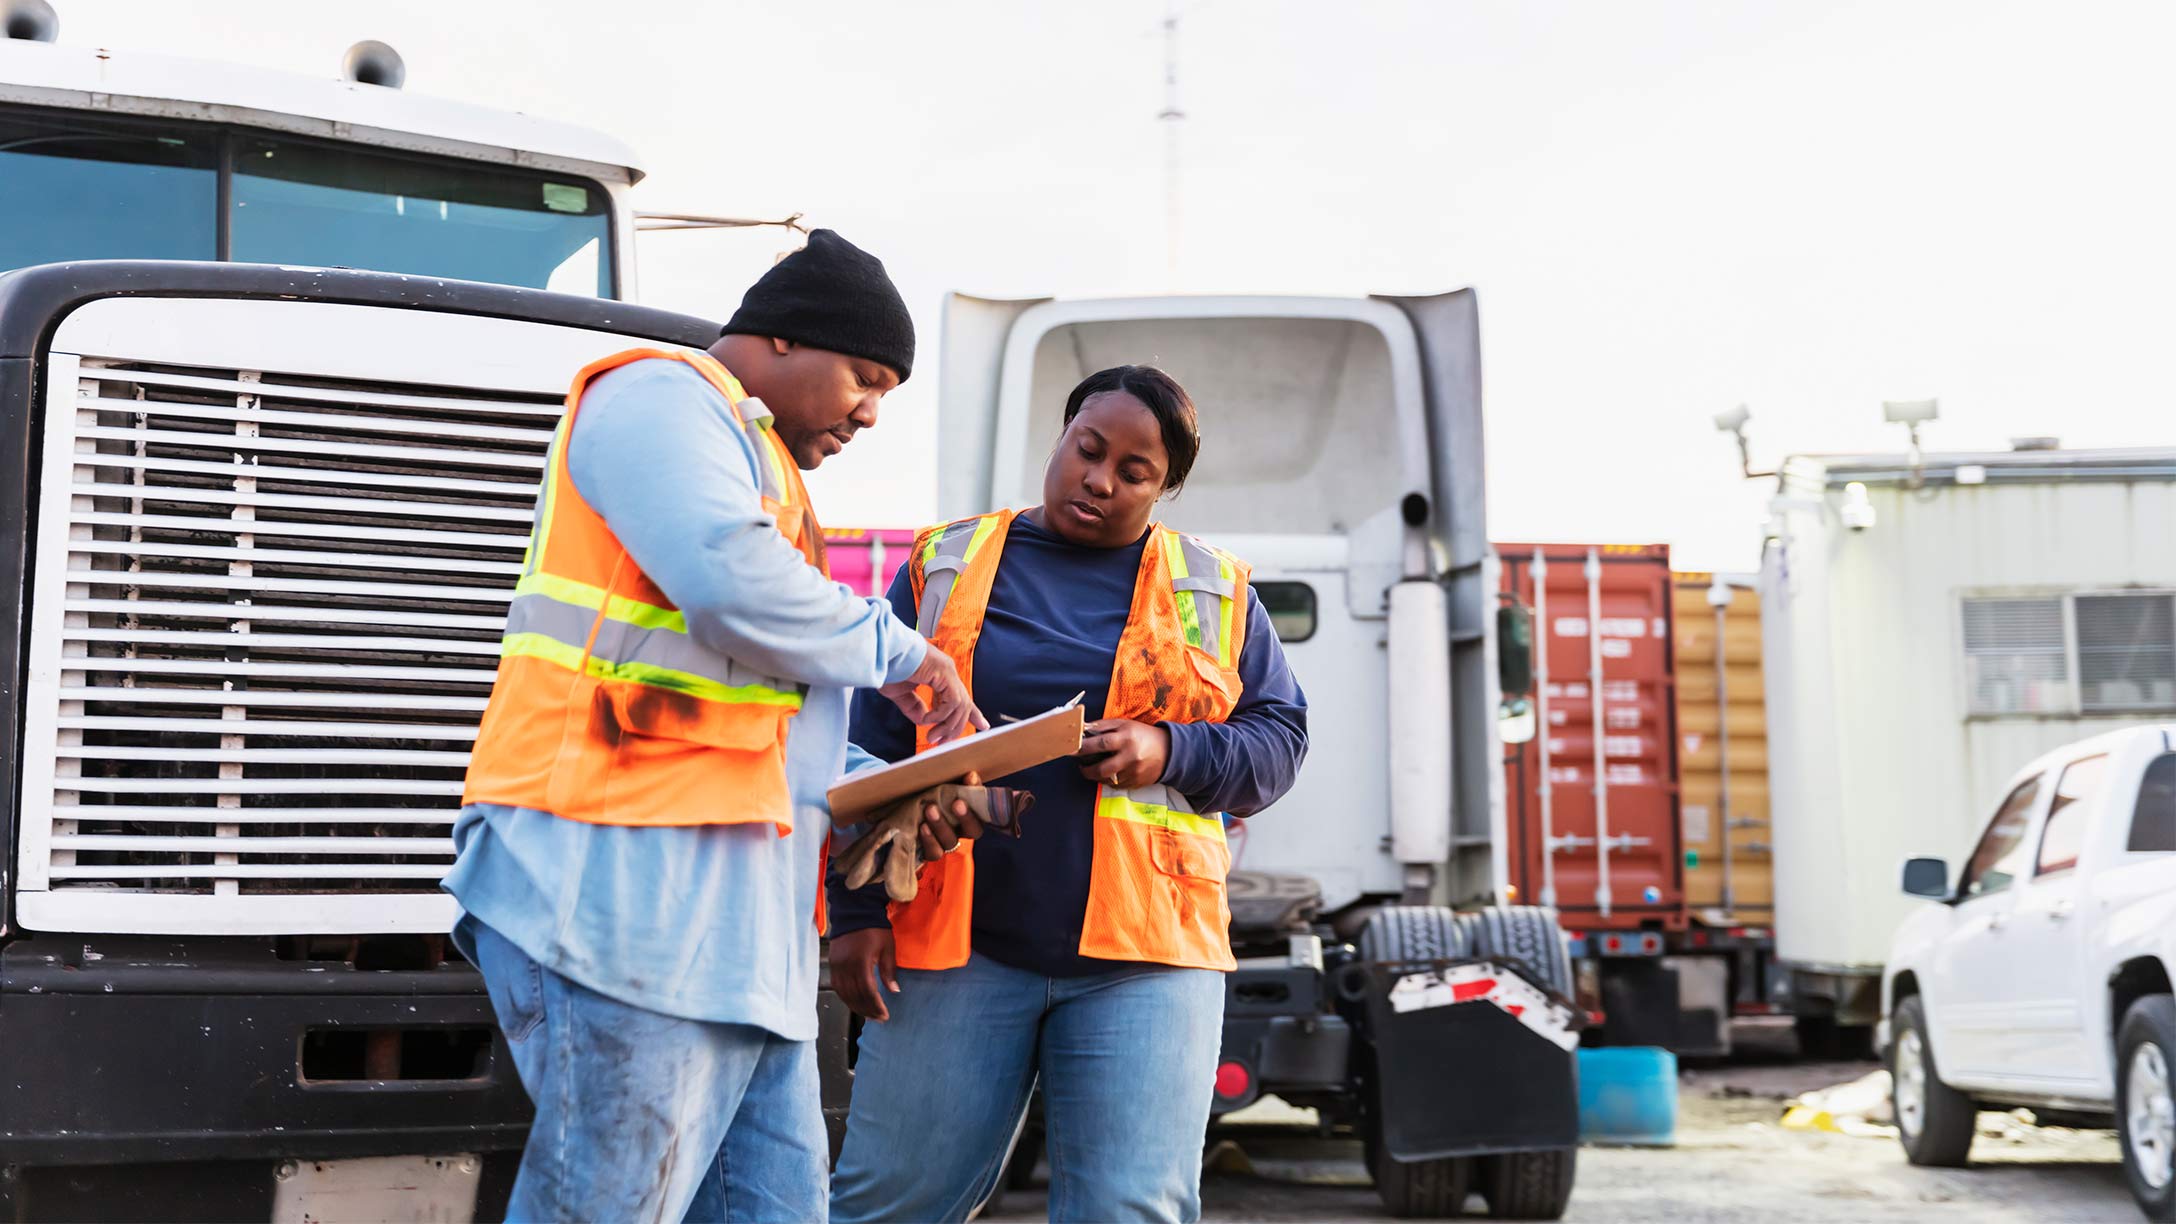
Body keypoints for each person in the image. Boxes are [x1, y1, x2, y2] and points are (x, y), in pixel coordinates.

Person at [447, 230, 987, 1223]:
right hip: (614, 900)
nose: (870, 414)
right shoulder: (658, 399)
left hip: (738, 939)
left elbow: (756, 720)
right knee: (605, 1206)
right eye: (864, 379)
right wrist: (908, 654)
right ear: (783, 340)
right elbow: (727, 589)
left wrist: (881, 789)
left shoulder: (761, 471)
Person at [827, 365, 1310, 1224]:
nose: (1101, 479)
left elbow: (1279, 744)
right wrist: (857, 917)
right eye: (1089, 450)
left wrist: (1168, 746)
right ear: (1060, 437)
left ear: (1165, 490)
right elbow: (865, 751)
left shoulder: (1217, 589)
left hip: (1147, 962)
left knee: (1128, 1210)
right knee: (890, 1202)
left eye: (1135, 471)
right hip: (956, 948)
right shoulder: (944, 563)